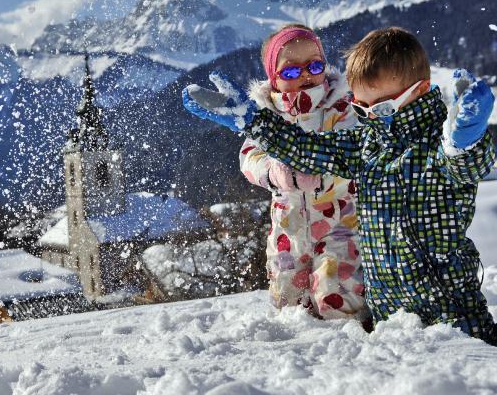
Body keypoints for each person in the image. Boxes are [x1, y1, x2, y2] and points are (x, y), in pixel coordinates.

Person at [183, 26, 497, 343]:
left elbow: (466, 166)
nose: (372, 117)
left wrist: (466, 144)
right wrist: (253, 120)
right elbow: (307, 149)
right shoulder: (367, 143)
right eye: (362, 109)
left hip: (452, 314)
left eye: (382, 109)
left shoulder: (437, 146)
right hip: (388, 318)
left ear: (419, 91)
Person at [239, 24, 368, 321]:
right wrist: (273, 173)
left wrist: (323, 162)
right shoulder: (266, 116)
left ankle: (352, 344)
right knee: (289, 304)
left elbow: (357, 145)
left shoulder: (342, 108)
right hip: (288, 230)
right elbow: (249, 157)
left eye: (314, 65)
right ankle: (299, 357)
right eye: (291, 72)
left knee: (337, 294)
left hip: (340, 224)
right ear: (273, 78)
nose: (306, 75)